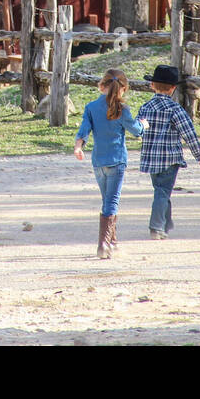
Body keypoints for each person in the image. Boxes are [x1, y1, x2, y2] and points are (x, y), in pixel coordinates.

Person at [74, 68, 146, 258]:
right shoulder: (122, 109)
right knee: (111, 202)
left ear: (101, 86)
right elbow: (137, 131)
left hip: (98, 161)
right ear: (123, 89)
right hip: (117, 160)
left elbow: (84, 130)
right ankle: (103, 245)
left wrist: (78, 147)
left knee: (107, 200)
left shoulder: (91, 107)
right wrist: (144, 124)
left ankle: (113, 242)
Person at [137, 64, 200, 239]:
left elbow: (138, 128)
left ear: (152, 85)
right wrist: (198, 154)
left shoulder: (145, 107)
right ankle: (157, 227)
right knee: (163, 191)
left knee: (160, 189)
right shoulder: (175, 109)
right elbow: (188, 132)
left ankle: (166, 224)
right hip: (169, 158)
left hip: (151, 158)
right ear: (173, 88)